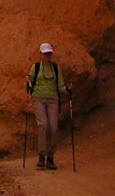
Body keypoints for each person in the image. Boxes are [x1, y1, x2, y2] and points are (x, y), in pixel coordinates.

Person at [26, 42, 71, 170]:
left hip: (53, 99)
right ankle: (42, 156)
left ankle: (50, 158)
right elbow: (30, 82)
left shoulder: (56, 68)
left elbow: (60, 86)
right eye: (45, 53)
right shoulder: (35, 67)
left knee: (54, 127)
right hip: (38, 98)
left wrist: (67, 90)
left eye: (49, 53)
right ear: (40, 54)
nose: (47, 56)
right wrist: (28, 81)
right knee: (43, 124)